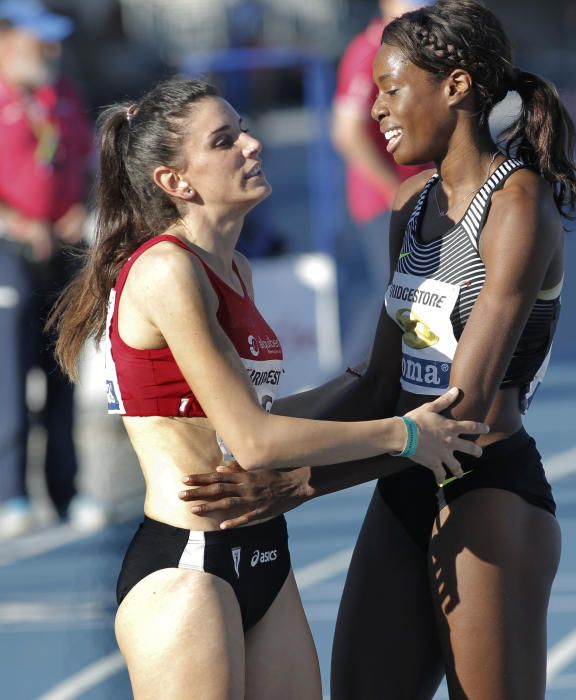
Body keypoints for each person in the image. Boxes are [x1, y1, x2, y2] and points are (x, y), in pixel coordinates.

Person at [180, 1, 576, 697]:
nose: (375, 110)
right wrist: (234, 430)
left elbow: (463, 419)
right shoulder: (410, 203)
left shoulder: (517, 205)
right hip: (403, 477)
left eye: (391, 89)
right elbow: (376, 383)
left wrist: (296, 483)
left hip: (484, 487)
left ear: (455, 85)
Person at [46, 77, 488, 699]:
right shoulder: (167, 269)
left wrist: (373, 397)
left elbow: (259, 415)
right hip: (189, 564)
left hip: (263, 553)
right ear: (176, 182)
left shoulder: (235, 267)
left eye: (243, 129)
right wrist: (405, 434)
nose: (253, 145)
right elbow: (253, 441)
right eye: (225, 141)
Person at [0, 0, 101, 536]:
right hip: (8, 253)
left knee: (62, 366)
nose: (52, 50)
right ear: (7, 39)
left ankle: (67, 491)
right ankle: (10, 495)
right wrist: (16, 222)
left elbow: (84, 163)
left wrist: (79, 207)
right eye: (40, 38)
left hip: (58, 250)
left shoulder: (59, 94)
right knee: (9, 375)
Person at [332, 0, 433, 357]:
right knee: (394, 288)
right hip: (384, 199)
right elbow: (346, 132)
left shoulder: (420, 47)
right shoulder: (369, 51)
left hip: (418, 191)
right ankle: (348, 380)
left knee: (423, 287)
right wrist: (394, 190)